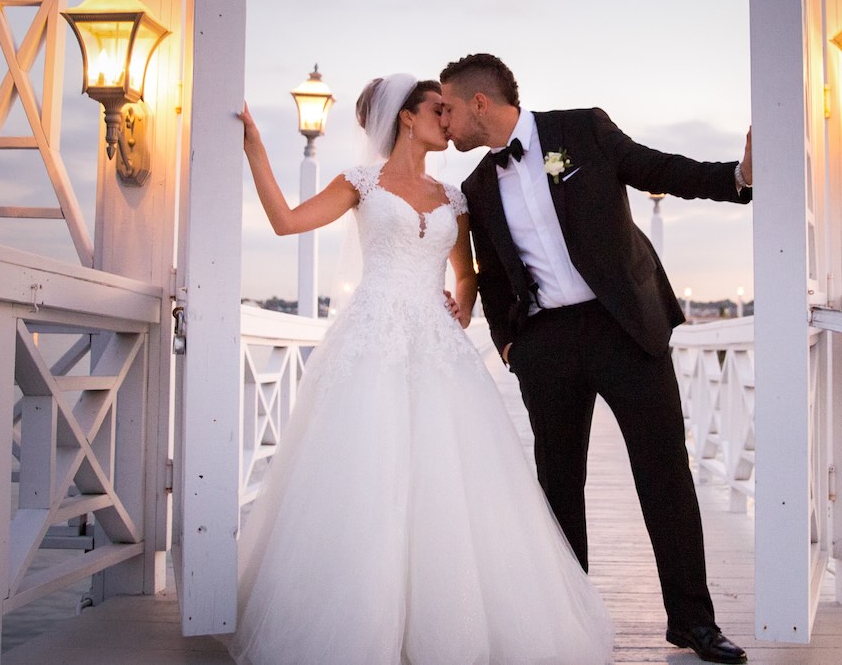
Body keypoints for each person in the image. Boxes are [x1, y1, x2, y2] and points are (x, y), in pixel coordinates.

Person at [229, 74, 614, 665]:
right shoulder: (360, 184)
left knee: (453, 480)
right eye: (438, 109)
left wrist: (462, 301)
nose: (449, 118)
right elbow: (284, 220)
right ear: (407, 118)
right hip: (372, 340)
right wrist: (255, 144)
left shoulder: (453, 198)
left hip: (437, 348)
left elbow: (468, 273)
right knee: (368, 477)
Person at [438, 53, 753, 665]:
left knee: (665, 473)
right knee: (558, 487)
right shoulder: (475, 187)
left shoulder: (581, 130)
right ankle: (568, 622)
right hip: (545, 345)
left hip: (624, 328)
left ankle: (693, 621)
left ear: (480, 103)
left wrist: (736, 176)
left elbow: (657, 167)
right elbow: (494, 277)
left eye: (447, 107)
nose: (442, 120)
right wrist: (511, 345)